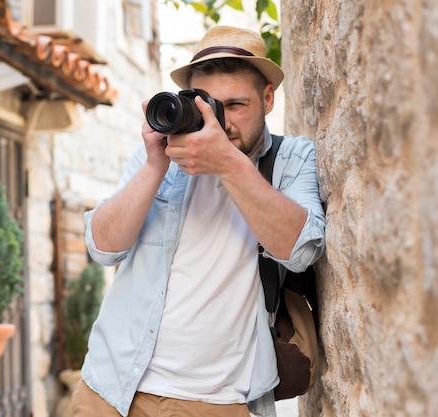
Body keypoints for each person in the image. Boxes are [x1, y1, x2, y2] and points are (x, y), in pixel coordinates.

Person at [73, 25, 326, 417]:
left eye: (236, 105)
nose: (220, 121)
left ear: (268, 98)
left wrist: (227, 163)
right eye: (210, 104)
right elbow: (102, 247)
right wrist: (155, 165)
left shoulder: (292, 158)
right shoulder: (160, 158)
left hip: (219, 402)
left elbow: (302, 250)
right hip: (111, 390)